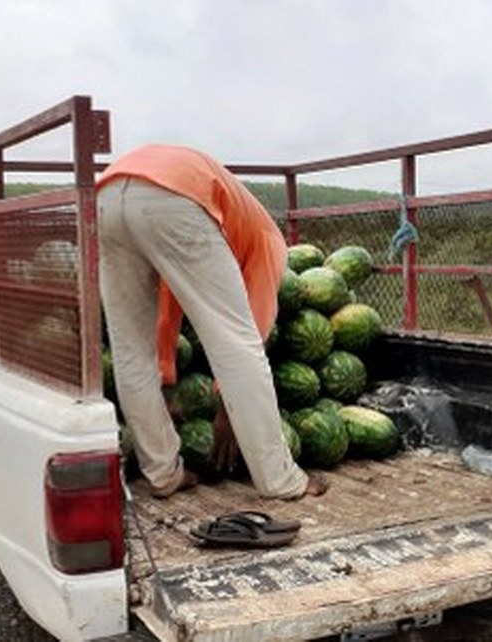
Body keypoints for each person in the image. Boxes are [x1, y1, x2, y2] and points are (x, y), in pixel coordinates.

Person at [97, 144, 327, 500]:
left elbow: (170, 299)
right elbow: (250, 338)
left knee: (130, 349)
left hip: (107, 197)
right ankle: (282, 481)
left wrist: (167, 374)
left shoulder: (236, 219)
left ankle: (162, 476)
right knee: (240, 344)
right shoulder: (269, 242)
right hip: (175, 194)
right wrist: (226, 409)